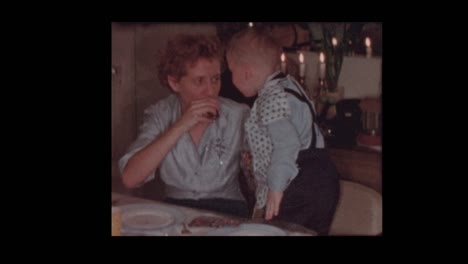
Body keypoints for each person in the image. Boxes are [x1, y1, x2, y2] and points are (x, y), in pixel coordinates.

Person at [119, 34, 250, 218]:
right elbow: (130, 179)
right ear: (174, 83)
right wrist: (181, 125)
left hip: (228, 210)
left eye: (215, 79)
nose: (211, 91)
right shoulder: (160, 114)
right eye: (199, 81)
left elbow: (260, 177)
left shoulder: (238, 115)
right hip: (175, 211)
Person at [226, 27, 340, 235]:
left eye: (231, 72)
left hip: (299, 180)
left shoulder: (270, 99)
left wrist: (276, 188)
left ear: (246, 72)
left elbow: (287, 144)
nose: (231, 79)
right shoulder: (289, 85)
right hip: (324, 176)